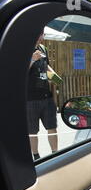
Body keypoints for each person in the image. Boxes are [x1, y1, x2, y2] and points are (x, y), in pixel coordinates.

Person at [27, 30, 58, 160]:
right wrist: (32, 59)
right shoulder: (23, 49)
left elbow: (47, 68)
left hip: (47, 97)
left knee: (52, 127)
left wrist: (56, 78)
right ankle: (36, 157)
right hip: (30, 99)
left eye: (42, 34)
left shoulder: (43, 48)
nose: (42, 37)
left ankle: (55, 154)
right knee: (32, 131)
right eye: (39, 34)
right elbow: (18, 73)